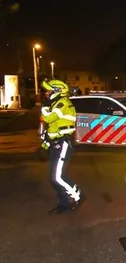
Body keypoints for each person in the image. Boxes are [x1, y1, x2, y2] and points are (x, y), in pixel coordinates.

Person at [40, 80, 84, 214]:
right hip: (55, 145)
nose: (46, 93)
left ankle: (78, 196)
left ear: (57, 91)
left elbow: (48, 119)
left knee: (57, 177)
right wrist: (44, 145)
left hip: (64, 144)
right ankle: (63, 203)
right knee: (54, 178)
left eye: (48, 91)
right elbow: (52, 129)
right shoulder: (55, 104)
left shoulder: (62, 103)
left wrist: (44, 107)